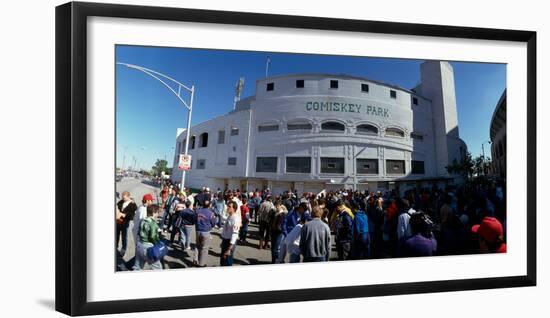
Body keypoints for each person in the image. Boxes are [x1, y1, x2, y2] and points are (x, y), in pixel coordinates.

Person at [133, 204, 162, 270]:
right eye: (157, 212)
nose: (158, 214)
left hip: (139, 244)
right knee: (158, 267)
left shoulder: (143, 220)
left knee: (137, 267)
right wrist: (158, 243)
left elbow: (139, 231)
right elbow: (153, 237)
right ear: (154, 212)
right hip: (148, 247)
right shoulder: (153, 223)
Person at [193, 199, 217, 267]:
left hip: (198, 230)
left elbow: (194, 219)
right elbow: (213, 223)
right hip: (206, 232)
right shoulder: (211, 213)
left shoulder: (197, 211)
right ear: (209, 205)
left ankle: (195, 260)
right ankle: (201, 263)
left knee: (197, 246)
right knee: (204, 248)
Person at [115, 191, 138, 256]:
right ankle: (115, 248)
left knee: (124, 237)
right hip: (118, 222)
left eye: (124, 198)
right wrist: (117, 212)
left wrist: (125, 215)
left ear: (128, 197)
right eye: (122, 198)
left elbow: (133, 215)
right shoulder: (121, 201)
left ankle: (123, 250)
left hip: (125, 223)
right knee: (116, 236)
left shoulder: (133, 205)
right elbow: (117, 206)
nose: (123, 199)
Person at [220, 201, 241, 266]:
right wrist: (222, 242)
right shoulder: (230, 216)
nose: (227, 208)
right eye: (228, 206)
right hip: (225, 240)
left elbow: (234, 234)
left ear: (234, 208)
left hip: (230, 242)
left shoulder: (235, 219)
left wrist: (229, 248)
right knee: (223, 261)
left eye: (229, 207)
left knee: (227, 261)